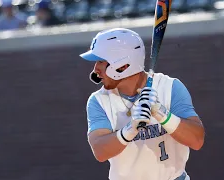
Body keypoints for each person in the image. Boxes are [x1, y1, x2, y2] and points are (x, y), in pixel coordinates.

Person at [79, 28, 205, 180]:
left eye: (100, 61)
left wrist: (161, 113)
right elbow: (100, 151)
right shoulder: (99, 100)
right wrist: (130, 129)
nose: (95, 69)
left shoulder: (170, 87)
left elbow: (196, 140)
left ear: (122, 65)